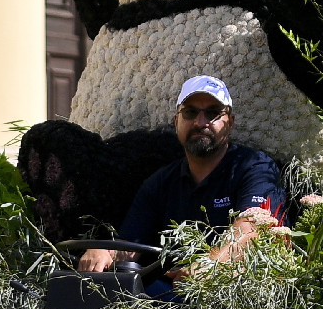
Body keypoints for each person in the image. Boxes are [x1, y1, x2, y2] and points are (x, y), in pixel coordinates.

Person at [75, 76, 285, 287]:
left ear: (230, 123)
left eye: (213, 113)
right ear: (176, 122)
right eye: (190, 112)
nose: (201, 122)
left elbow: (254, 228)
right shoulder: (160, 182)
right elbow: (130, 246)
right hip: (170, 295)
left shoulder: (254, 166)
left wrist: (211, 264)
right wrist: (105, 253)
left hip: (234, 295)